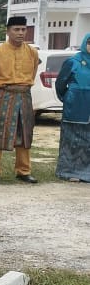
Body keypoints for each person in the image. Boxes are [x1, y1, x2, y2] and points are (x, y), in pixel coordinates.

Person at [0, 15, 41, 184]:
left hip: (24, 95)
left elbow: (33, 72)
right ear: (8, 31)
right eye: (16, 30)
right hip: (2, 95)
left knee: (25, 132)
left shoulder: (32, 52)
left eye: (23, 29)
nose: (20, 33)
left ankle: (23, 170)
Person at [55, 33, 90, 182]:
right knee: (73, 140)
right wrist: (68, 98)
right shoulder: (73, 61)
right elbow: (60, 83)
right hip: (76, 106)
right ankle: (69, 171)